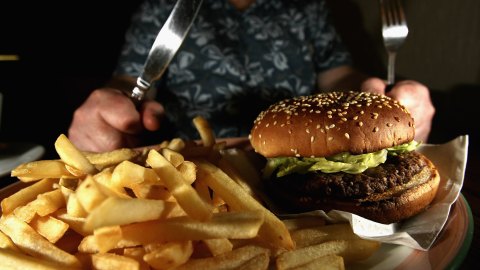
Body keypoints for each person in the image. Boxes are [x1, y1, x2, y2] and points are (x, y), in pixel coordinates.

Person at [68, 0, 435, 152]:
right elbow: (130, 83)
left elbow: (337, 76)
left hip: (300, 163)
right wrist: (111, 104)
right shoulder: (164, 7)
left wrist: (371, 99)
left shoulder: (305, 5)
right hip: (197, 171)